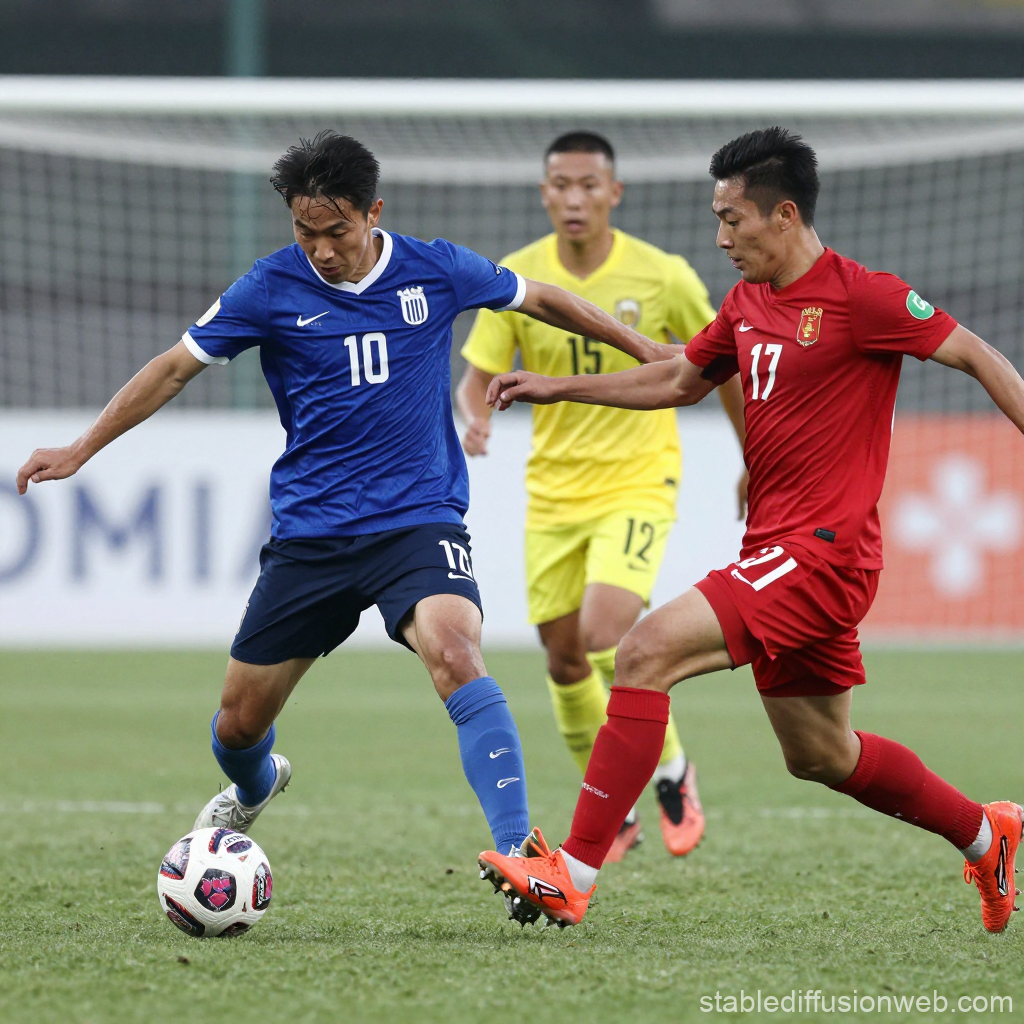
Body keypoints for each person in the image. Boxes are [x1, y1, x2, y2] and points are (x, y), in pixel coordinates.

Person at [15, 132, 674, 908]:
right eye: (306, 232)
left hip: (417, 520)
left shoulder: (436, 268)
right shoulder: (268, 287)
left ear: (373, 213)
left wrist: (643, 348)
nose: (322, 251)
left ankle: (521, 854)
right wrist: (82, 448)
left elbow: (544, 299)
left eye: (337, 231)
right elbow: (171, 368)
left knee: (457, 653)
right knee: (237, 725)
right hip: (313, 536)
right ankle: (256, 785)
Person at [477, 127, 1024, 933]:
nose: (721, 237)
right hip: (776, 551)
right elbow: (677, 378)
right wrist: (558, 387)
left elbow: (977, 354)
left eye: (732, 219)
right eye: (718, 220)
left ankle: (572, 872)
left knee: (641, 651)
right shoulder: (746, 302)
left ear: (785, 215)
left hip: (823, 557)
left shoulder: (865, 297)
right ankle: (986, 834)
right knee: (822, 754)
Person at [457, 130, 746, 863]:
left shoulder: (663, 275)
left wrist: (754, 456)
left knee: (602, 632)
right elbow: (477, 374)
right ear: (544, 193)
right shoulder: (516, 278)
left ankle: (671, 772)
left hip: (638, 479)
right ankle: (616, 811)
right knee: (563, 662)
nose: (575, 198)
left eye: (589, 185)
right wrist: (475, 417)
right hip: (554, 492)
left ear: (614, 192)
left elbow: (725, 362)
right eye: (562, 185)